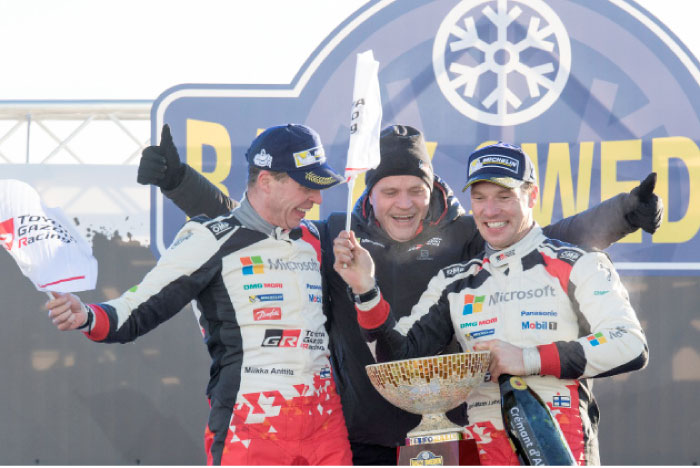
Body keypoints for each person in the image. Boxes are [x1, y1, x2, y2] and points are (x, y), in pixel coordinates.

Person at [138, 124, 662, 465]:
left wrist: (621, 213)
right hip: (361, 434)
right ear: (371, 193)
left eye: (416, 189)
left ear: (434, 190)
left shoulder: (467, 236)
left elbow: (545, 238)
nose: (404, 203)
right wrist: (181, 181)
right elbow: (252, 221)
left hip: (458, 436)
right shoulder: (335, 236)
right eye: (390, 190)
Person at [45, 124, 353, 466]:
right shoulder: (210, 239)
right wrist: (88, 316)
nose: (317, 198)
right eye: (306, 186)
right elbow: (138, 306)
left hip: (325, 424)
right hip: (250, 424)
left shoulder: (319, 239)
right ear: (266, 181)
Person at [332, 142, 649, 466]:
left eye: (504, 197)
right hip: (478, 452)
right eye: (480, 198)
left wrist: (528, 359)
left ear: (532, 196)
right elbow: (398, 360)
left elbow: (630, 345)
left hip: (559, 449)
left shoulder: (579, 263)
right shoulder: (454, 282)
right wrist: (366, 289)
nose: (490, 210)